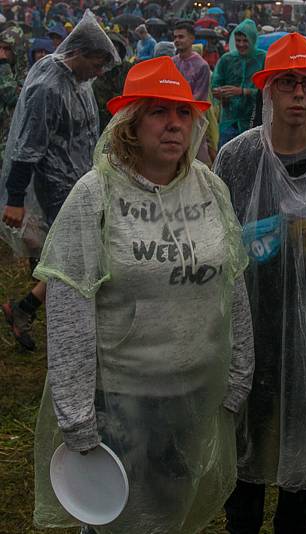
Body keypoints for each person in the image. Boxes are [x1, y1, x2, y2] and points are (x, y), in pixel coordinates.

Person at [30, 56, 254, 534]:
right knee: (120, 521)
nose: (174, 125)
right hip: (122, 401)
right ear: (130, 123)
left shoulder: (210, 189)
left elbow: (232, 280)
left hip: (194, 393)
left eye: (183, 113)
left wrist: (238, 376)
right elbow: (71, 304)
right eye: (158, 112)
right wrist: (76, 418)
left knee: (174, 510)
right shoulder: (95, 195)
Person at [212, 33, 306, 534]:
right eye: (287, 83)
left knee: (303, 464)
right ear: (268, 91)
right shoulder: (236, 159)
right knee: (247, 455)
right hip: (252, 327)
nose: (298, 94)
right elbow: (217, 246)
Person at [0, 11, 118, 351]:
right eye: (97, 64)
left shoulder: (77, 83)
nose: (98, 73)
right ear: (80, 53)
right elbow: (27, 146)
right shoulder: (47, 87)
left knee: (75, 254)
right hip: (57, 187)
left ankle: (25, 309)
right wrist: (15, 199)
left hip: (80, 181)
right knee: (75, 256)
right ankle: (54, 323)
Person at [212, 19, 265, 147]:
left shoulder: (263, 59)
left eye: (245, 40)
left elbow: (267, 91)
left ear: (253, 40)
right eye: (238, 40)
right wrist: (220, 94)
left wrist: (243, 92)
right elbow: (215, 84)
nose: (241, 44)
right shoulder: (227, 59)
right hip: (229, 121)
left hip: (254, 120)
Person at [173, 21, 214, 165]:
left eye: (181, 37)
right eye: (175, 37)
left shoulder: (201, 65)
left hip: (192, 117)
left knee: (195, 158)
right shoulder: (172, 62)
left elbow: (199, 97)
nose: (177, 40)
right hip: (172, 115)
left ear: (191, 39)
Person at [0, 25, 27, 168]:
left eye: (7, 49)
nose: (2, 53)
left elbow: (12, 96)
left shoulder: (27, 75)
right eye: (0, 48)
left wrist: (3, 65)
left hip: (13, 149)